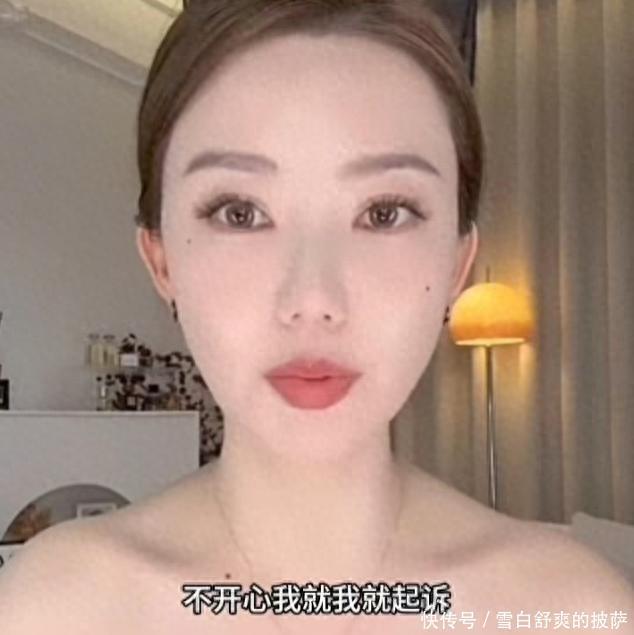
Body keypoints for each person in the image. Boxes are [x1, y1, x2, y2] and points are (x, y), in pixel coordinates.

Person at [1, 1, 631, 633]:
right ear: (161, 259)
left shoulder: (573, 612)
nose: (313, 299)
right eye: (240, 213)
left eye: (383, 213)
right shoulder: (53, 609)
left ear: (457, 264)